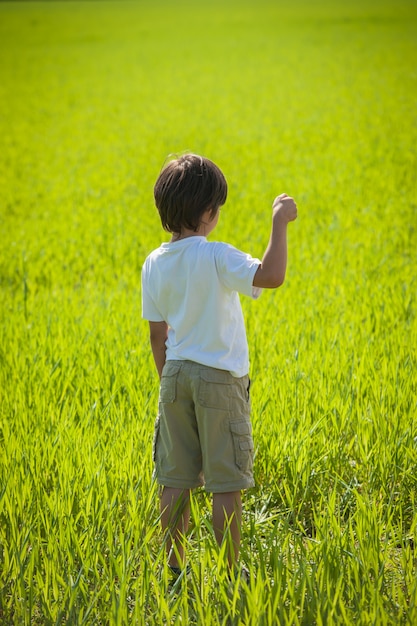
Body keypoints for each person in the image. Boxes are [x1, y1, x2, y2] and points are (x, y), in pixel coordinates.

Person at [141, 153, 297, 582]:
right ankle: (229, 574)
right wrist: (279, 222)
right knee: (224, 483)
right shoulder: (215, 256)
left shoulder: (153, 262)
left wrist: (169, 384)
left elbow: (158, 337)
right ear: (209, 213)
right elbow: (271, 275)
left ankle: (174, 568)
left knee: (175, 478)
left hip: (173, 376)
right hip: (219, 380)